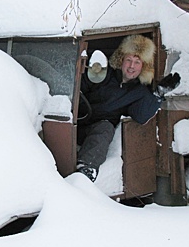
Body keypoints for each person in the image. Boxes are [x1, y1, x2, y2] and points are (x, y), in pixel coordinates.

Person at [76, 34, 179, 182]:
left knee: (105, 127)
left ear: (143, 66)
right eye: (129, 60)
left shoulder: (140, 91)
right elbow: (79, 88)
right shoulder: (104, 73)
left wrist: (158, 95)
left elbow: (141, 116)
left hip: (98, 131)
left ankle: (86, 171)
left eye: (137, 62)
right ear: (121, 59)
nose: (132, 66)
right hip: (75, 122)